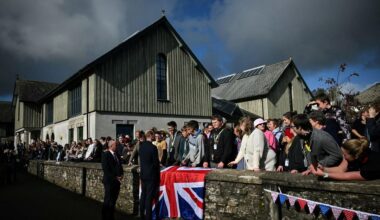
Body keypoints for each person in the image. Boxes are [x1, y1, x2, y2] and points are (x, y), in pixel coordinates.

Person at [312, 139, 380, 180]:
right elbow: (340, 169)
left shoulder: (371, 167)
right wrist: (322, 168)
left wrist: (324, 174)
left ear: (355, 156)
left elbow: (346, 176)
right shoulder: (357, 152)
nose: (343, 157)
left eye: (345, 155)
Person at [139, 130, 160, 220]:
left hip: (143, 174)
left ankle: (141, 215)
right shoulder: (153, 147)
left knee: (143, 195)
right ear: (150, 136)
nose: (155, 137)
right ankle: (148, 217)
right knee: (149, 197)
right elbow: (155, 163)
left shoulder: (141, 146)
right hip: (151, 175)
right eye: (153, 135)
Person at [101, 140, 123, 220]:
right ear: (111, 146)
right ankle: (104, 217)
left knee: (113, 200)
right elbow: (106, 169)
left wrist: (121, 174)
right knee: (108, 200)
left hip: (117, 182)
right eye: (115, 145)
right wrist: (115, 177)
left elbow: (120, 165)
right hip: (109, 181)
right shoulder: (105, 155)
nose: (117, 147)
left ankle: (111, 216)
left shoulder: (117, 154)